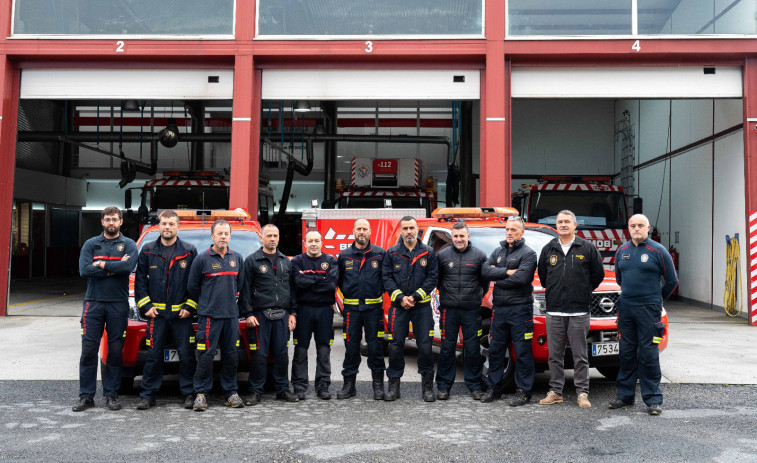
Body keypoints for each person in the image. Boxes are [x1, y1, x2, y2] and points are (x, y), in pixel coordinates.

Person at [609, 214, 677, 416]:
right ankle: (625, 396)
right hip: (627, 308)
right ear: (628, 228)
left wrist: (656, 300)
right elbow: (620, 279)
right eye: (633, 225)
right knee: (626, 353)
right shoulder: (622, 251)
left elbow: (672, 281)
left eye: (640, 225)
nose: (636, 228)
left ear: (648, 228)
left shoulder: (658, 250)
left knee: (648, 355)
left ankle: (653, 400)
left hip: (650, 310)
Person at [537, 210, 603, 409]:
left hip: (579, 311)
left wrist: (581, 291)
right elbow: (543, 276)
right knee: (554, 355)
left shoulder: (587, 247)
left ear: (575, 225)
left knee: (580, 355)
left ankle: (582, 393)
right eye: (560, 222)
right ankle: (556, 392)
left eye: (567, 221)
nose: (563, 224)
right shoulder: (548, 249)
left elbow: (597, 276)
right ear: (556, 226)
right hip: (555, 310)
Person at [74, 206, 137, 412]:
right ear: (102, 222)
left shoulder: (129, 244)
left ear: (121, 222)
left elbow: (127, 268)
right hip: (93, 303)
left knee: (116, 351)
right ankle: (86, 397)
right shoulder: (91, 244)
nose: (111, 223)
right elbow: (84, 270)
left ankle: (112, 394)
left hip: (118, 304)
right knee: (89, 351)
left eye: (115, 219)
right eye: (108, 219)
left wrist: (100, 265)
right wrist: (114, 268)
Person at [134, 210, 198, 410]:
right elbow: (140, 282)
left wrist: (190, 306)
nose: (167, 227)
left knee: (187, 356)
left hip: (182, 317)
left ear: (178, 227)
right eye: (164, 224)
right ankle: (148, 395)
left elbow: (195, 283)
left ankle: (189, 393)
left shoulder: (189, 251)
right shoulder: (147, 250)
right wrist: (146, 306)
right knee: (153, 355)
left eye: (171, 224)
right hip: (157, 317)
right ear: (159, 226)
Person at [187, 220, 245, 411]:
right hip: (209, 318)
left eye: (226, 234)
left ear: (230, 236)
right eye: (219, 233)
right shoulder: (202, 259)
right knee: (205, 356)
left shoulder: (236, 258)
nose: (223, 237)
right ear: (212, 236)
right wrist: (208, 303)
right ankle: (201, 394)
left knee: (231, 355)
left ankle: (231, 392)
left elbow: (241, 286)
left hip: (231, 317)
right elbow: (192, 287)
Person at [239, 224, 298, 405]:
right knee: (259, 355)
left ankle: (282, 389)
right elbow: (245, 290)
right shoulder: (251, 260)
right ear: (262, 238)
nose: (272, 239)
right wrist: (248, 314)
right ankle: (256, 391)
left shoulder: (285, 261)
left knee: (281, 354)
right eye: (269, 236)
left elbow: (292, 290)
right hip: (260, 316)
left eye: (275, 235)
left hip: (282, 315)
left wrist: (293, 313)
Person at [481, 216, 537, 406]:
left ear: (522, 232)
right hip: (499, 309)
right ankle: (494, 388)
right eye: (507, 229)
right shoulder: (498, 251)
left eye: (514, 230)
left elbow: (521, 279)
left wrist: (499, 276)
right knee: (496, 350)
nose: (510, 233)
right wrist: (506, 272)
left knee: (522, 352)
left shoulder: (529, 254)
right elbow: (485, 271)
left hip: (520, 309)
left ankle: (524, 391)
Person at [382, 216, 439, 402]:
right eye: (405, 228)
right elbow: (387, 278)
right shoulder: (391, 253)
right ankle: (393, 386)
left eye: (412, 228)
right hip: (399, 307)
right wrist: (400, 297)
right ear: (400, 231)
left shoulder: (428, 253)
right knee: (396, 346)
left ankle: (428, 387)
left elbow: (432, 279)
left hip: (421, 307)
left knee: (425, 346)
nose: (409, 231)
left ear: (417, 230)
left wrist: (414, 297)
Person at [434, 221, 488, 401]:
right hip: (448, 310)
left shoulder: (480, 256)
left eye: (462, 236)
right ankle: (443, 387)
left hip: (471, 310)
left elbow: (484, 283)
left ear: (468, 237)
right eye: (455, 236)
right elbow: (438, 281)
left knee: (472, 349)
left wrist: (473, 298)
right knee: (447, 349)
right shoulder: (442, 255)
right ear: (452, 237)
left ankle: (474, 386)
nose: (459, 239)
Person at [337, 219, 387, 400]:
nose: (362, 232)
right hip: (352, 310)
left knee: (376, 347)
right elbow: (340, 281)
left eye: (365, 229)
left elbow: (385, 279)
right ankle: (349, 386)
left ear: (370, 231)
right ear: (353, 231)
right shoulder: (344, 256)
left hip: (374, 309)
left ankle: (378, 387)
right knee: (351, 348)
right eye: (359, 229)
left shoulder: (380, 254)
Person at [290, 230, 339, 400]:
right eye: (310, 240)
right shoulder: (297, 261)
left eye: (316, 241)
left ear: (321, 243)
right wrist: (320, 279)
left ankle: (323, 385)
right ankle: (299, 386)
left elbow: (331, 284)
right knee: (300, 350)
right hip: (303, 310)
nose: (313, 244)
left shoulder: (330, 261)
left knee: (323, 349)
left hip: (324, 310)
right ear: (304, 242)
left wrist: (308, 278)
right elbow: (297, 281)